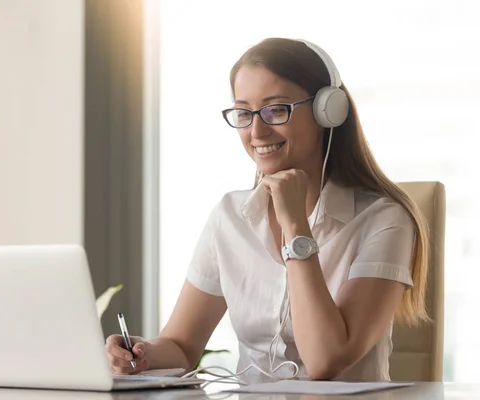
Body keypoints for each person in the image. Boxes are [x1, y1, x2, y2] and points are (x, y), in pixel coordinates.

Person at [105, 38, 429, 383]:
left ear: (328, 111)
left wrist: (295, 226)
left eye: (276, 110)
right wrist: (144, 354)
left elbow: (325, 362)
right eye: (244, 113)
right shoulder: (230, 216)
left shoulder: (384, 220)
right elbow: (182, 346)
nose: (256, 131)